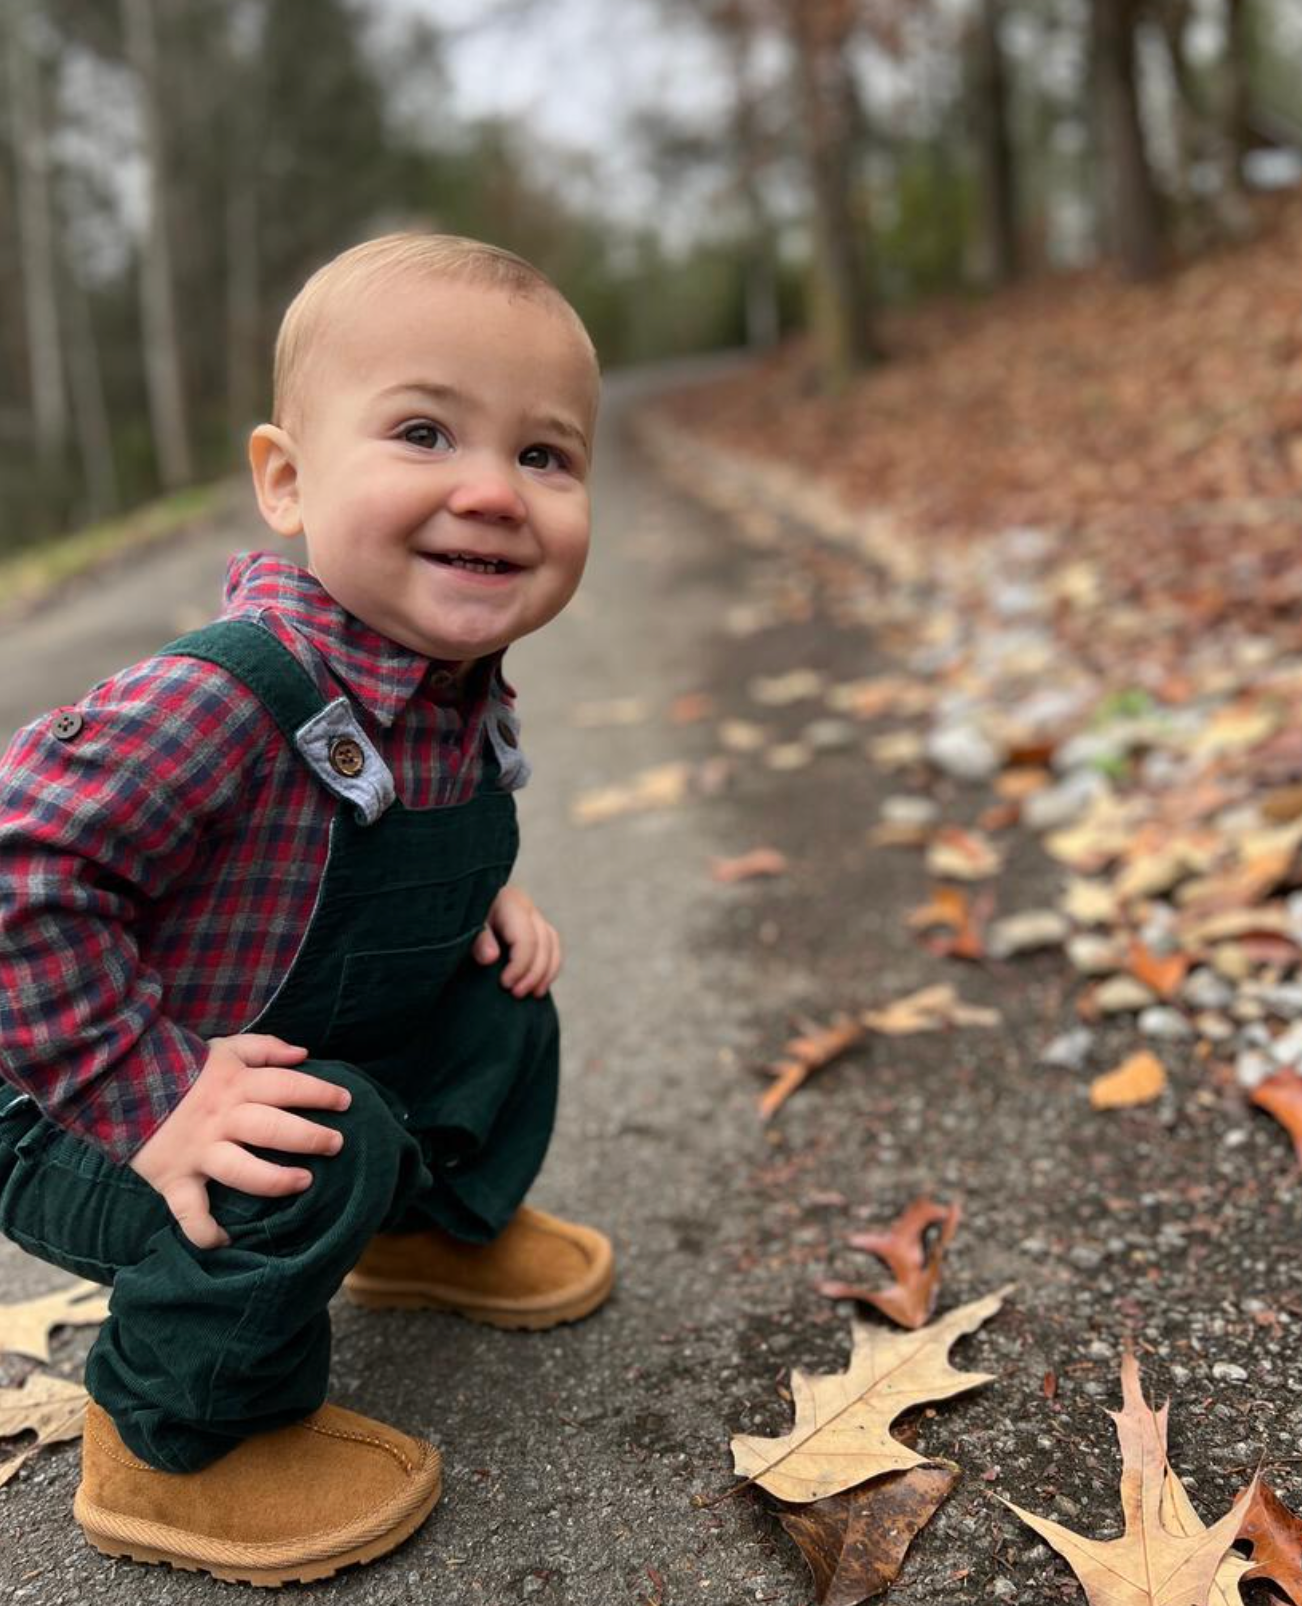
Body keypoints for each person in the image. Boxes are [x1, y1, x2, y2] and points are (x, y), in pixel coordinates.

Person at [0, 233, 612, 1586]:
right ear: (286, 478)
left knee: (493, 999)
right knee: (297, 1140)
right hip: (68, 1097)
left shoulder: (448, 685)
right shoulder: (222, 693)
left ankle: (424, 1235)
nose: (492, 491)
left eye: (543, 455)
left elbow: (355, 850)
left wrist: (479, 895)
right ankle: (171, 1440)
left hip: (264, 1032)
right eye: (423, 430)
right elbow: (17, 865)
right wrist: (149, 1089)